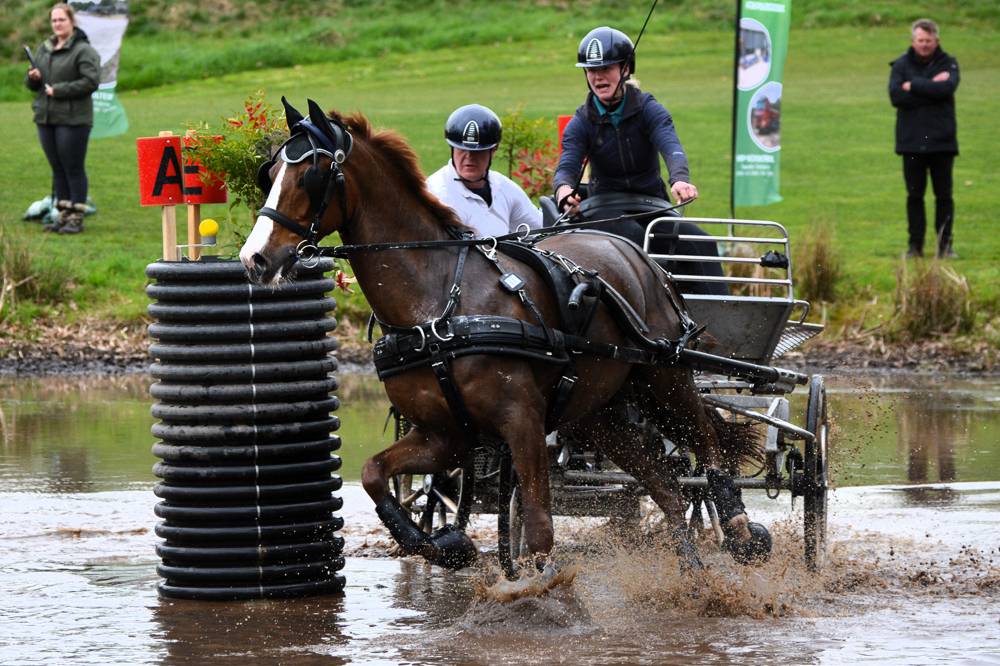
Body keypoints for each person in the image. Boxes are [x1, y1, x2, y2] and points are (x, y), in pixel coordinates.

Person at [553, 26, 726, 296]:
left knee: (701, 244)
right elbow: (568, 164)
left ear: (626, 69)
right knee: (635, 240)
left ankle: (720, 317)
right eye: (591, 70)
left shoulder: (648, 109)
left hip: (653, 207)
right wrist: (564, 190)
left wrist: (680, 179)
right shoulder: (581, 122)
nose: (598, 77)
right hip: (605, 211)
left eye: (606, 68)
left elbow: (670, 144)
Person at [25, 3, 100, 235]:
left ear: (72, 21)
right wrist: (33, 78)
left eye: (62, 20)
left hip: (73, 119)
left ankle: (76, 217)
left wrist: (59, 90)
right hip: (46, 117)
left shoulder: (84, 50)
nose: (57, 24)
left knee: (73, 167)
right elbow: (33, 86)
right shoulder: (44, 48)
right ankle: (62, 215)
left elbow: (91, 81)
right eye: (54, 20)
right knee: (57, 168)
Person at [889, 18, 960, 259]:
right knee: (914, 196)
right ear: (913, 41)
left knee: (944, 197)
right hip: (911, 143)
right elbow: (896, 96)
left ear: (936, 41)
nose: (924, 44)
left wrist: (913, 86)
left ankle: (945, 246)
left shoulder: (949, 63)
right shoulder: (900, 64)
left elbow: (947, 89)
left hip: (942, 143)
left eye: (928, 40)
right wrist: (931, 87)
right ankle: (915, 247)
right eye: (920, 40)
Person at [426, 104, 542, 238]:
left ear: (493, 150)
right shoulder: (436, 194)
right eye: (462, 149)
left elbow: (543, 229)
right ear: (452, 148)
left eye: (477, 152)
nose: (469, 157)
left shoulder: (504, 188)